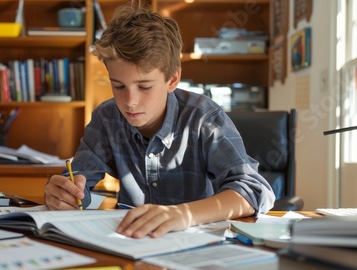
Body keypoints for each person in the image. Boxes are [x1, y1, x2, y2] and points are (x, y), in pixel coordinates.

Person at [44, 3, 275, 239]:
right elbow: (80, 180)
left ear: (172, 79)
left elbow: (254, 191)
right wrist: (65, 194)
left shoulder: (204, 118)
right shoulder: (106, 118)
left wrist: (182, 214)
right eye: (118, 86)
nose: (130, 101)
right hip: (131, 245)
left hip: (193, 245)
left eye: (144, 86)